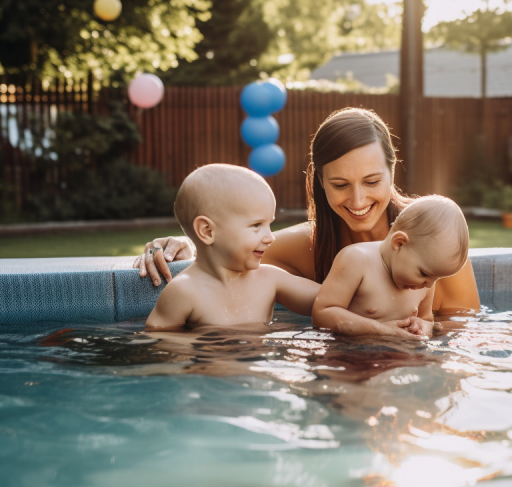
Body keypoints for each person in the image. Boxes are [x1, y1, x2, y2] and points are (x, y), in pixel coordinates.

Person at [133, 108, 480, 315]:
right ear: (321, 183)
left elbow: (464, 334)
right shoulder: (306, 246)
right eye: (341, 185)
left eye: (372, 181)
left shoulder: (438, 238)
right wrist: (188, 243)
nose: (358, 201)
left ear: (393, 171)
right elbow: (229, 249)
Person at [145, 164, 320, 328]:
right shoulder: (183, 291)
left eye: (269, 224)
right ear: (207, 231)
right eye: (256, 225)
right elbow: (163, 345)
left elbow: (330, 300)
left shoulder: (272, 279)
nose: (270, 237)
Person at [312, 195, 470, 340]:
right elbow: (322, 314)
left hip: (400, 357)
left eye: (435, 278)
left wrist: (424, 325)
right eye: (424, 273)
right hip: (353, 355)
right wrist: (379, 329)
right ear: (399, 243)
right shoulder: (356, 260)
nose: (429, 284)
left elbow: (426, 318)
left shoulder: (425, 283)